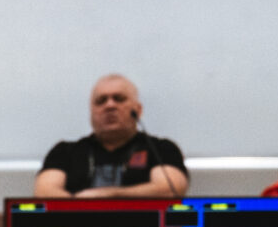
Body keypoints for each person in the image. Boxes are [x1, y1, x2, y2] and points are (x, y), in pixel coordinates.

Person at [33, 74, 189, 199]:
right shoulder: (65, 152)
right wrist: (83, 209)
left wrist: (106, 196)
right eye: (101, 101)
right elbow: (44, 192)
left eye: (119, 99)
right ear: (91, 112)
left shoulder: (160, 149)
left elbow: (171, 189)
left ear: (138, 110)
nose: (110, 105)